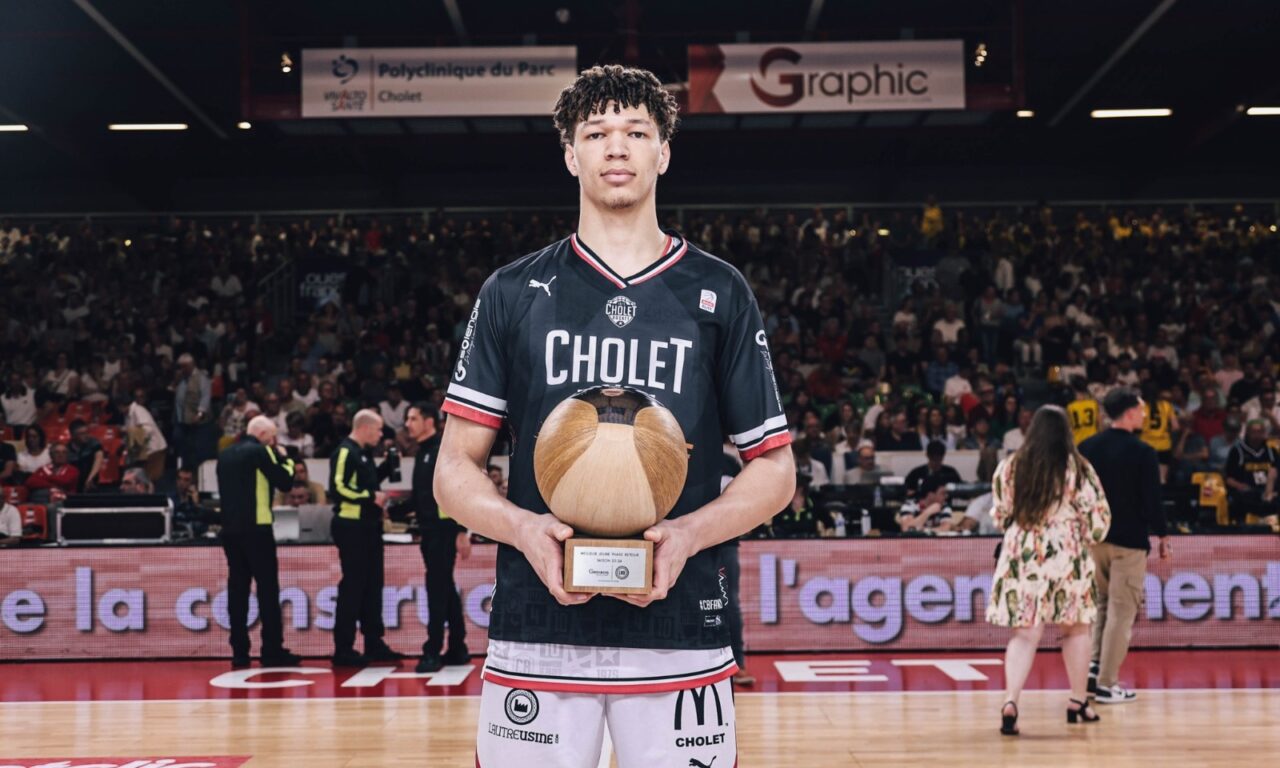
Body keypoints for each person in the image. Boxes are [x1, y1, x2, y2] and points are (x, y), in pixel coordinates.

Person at [432, 65, 794, 767]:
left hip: (681, 624)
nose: (617, 147)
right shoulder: (511, 291)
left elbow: (775, 470)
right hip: (539, 626)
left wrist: (687, 535)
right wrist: (523, 529)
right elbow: (453, 470)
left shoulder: (719, 290)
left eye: (636, 131)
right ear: (571, 155)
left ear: (664, 152)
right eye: (596, 133)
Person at [988, 406, 1110, 736]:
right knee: (1076, 630)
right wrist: (1082, 535)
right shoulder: (1078, 468)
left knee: (1024, 634)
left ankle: (1011, 701)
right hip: (1067, 553)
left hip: (1024, 551)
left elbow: (1000, 514)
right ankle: (1078, 700)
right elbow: (1098, 520)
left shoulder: (1010, 466)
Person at [1077, 388, 1170, 704]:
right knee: (1121, 611)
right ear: (1129, 413)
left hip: (1095, 539)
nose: (1144, 415)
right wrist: (1163, 535)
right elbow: (1152, 500)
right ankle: (1107, 683)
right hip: (1128, 541)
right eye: (1141, 410)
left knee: (1102, 605)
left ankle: (1094, 667)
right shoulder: (1143, 452)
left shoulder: (1086, 447)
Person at [214, 415, 302, 669]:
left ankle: (239, 651)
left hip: (230, 529)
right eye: (272, 437)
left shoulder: (225, 455)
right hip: (257, 528)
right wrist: (285, 458)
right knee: (267, 589)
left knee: (238, 588)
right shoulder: (261, 452)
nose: (274, 442)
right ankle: (271, 649)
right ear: (263, 435)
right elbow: (285, 482)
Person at [329, 408, 403, 666]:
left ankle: (374, 642)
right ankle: (343, 648)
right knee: (353, 586)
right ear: (365, 427)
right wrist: (370, 497)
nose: (381, 435)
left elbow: (368, 483)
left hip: (370, 526)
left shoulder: (363, 453)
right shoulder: (345, 452)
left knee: (373, 585)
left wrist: (386, 468)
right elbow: (337, 487)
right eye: (379, 429)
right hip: (351, 527)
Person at [406, 402, 471, 673]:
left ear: (429, 421)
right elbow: (421, 497)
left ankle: (432, 651)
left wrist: (461, 531)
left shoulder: (440, 451)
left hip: (443, 531)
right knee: (444, 587)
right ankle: (458, 646)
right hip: (430, 530)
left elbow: (458, 491)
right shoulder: (423, 452)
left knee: (437, 589)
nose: (407, 424)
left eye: (413, 418)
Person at [1222, 419, 1280, 528]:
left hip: (1268, 491)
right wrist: (1240, 486)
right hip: (1247, 491)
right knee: (1241, 498)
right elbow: (1228, 478)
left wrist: (1269, 492)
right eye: (1254, 432)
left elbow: (1274, 472)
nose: (1257, 435)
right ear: (1247, 433)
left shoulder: (1272, 452)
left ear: (1264, 433)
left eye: (1260, 432)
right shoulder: (1237, 451)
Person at [1138, 385, 1179, 483]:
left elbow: (1137, 426)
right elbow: (1176, 426)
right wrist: (1165, 431)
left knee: (1145, 478)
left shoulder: (1141, 407)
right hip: (1164, 445)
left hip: (1146, 445)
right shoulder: (1166, 405)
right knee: (1162, 479)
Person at [66, 420, 105, 492]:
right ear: (73, 436)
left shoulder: (93, 442)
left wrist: (90, 478)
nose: (86, 435)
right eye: (82, 434)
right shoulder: (67, 449)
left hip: (91, 482)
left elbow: (99, 458)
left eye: (87, 432)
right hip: (74, 485)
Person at [1065, 376, 1101, 445]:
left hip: (1078, 443)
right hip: (1093, 442)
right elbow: (1099, 426)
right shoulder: (1093, 404)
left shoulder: (1070, 407)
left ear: (1073, 389)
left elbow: (1068, 430)